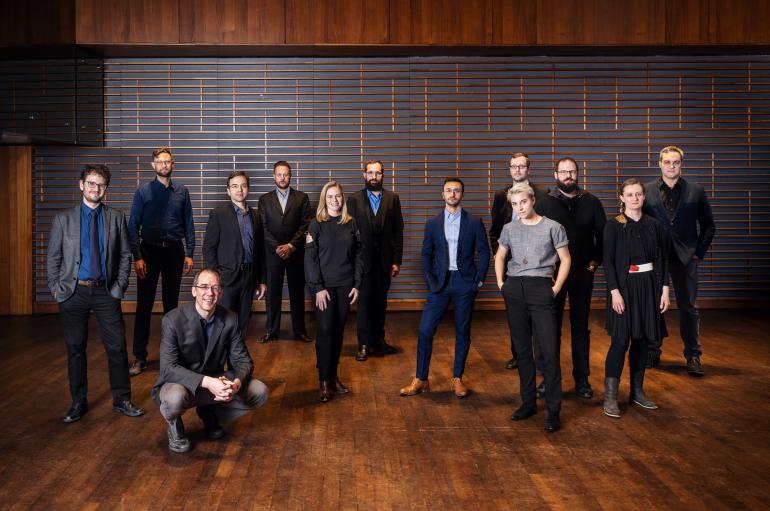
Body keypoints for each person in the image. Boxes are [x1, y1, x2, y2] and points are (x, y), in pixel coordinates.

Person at [47, 164, 144, 423]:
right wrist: (58, 291)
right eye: (91, 183)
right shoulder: (63, 219)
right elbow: (53, 258)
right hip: (73, 292)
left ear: (105, 189)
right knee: (76, 349)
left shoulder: (116, 217)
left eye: (100, 185)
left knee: (117, 348)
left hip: (105, 292)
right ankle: (78, 402)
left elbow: (125, 255)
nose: (95, 188)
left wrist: (119, 287)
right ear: (81, 185)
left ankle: (122, 400)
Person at [152, 268, 269, 453]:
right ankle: (174, 425)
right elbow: (167, 369)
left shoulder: (230, 318)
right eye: (204, 287)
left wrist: (235, 385)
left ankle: (209, 412)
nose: (210, 293)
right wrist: (208, 382)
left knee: (259, 391)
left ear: (221, 293)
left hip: (215, 380)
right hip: (181, 384)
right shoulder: (173, 320)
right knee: (174, 399)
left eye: (215, 288)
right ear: (194, 291)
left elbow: (243, 361)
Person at [400, 178, 489, 399]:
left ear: (462, 194)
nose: (452, 194)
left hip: (464, 283)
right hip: (439, 283)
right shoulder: (432, 223)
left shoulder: (475, 222)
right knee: (425, 330)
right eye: (448, 191)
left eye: (457, 191)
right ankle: (421, 378)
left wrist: (478, 280)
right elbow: (426, 253)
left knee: (462, 331)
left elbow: (485, 252)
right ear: (443, 195)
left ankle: (457, 378)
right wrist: (429, 278)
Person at [495, 183, 570, 433]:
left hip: (541, 287)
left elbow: (566, 259)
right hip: (515, 288)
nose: (519, 208)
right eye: (514, 205)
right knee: (523, 352)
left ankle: (553, 409)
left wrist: (556, 288)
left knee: (548, 352)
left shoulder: (553, 227)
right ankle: (527, 403)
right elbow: (500, 256)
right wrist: (501, 284)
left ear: (532, 200)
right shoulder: (509, 228)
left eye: (523, 203)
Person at [643, 146, 715, 376]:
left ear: (681, 164)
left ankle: (693, 355)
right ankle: (653, 350)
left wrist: (698, 253)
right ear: (660, 164)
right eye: (667, 162)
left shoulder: (696, 190)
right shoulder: (646, 191)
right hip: (655, 258)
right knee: (655, 306)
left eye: (676, 162)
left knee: (689, 308)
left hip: (686, 258)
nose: (671, 166)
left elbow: (709, 226)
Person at [603, 178, 670, 418]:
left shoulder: (654, 225)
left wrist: (664, 289)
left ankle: (637, 391)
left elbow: (662, 258)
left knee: (642, 340)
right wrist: (614, 292)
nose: (634, 198)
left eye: (638, 194)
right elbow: (608, 262)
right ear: (621, 198)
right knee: (620, 342)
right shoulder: (614, 226)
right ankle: (610, 396)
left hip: (650, 286)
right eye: (629, 195)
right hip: (624, 287)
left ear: (644, 197)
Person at [128, 147, 195, 376]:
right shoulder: (143, 192)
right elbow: (132, 226)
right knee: (143, 306)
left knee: (171, 306)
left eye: (167, 161)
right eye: (160, 161)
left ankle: (171, 356)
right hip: (148, 252)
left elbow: (189, 224)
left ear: (173, 164)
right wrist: (137, 257)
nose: (164, 165)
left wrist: (190, 253)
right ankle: (139, 357)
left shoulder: (182, 191)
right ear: (153, 165)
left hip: (174, 251)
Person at [546, 157, 606, 399]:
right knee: (551, 329)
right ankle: (550, 381)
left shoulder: (591, 202)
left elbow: (603, 235)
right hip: (552, 276)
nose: (568, 175)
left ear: (578, 174)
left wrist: (595, 263)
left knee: (581, 327)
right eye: (563, 172)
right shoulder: (544, 203)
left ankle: (582, 380)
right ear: (555, 175)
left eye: (572, 171)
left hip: (583, 272)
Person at [489, 152, 551, 370]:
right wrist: (500, 259)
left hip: (537, 265)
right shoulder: (500, 195)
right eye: (513, 166)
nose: (517, 170)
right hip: (511, 265)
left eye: (521, 166)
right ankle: (519, 356)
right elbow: (495, 231)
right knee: (515, 315)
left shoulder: (543, 193)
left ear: (528, 169)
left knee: (538, 317)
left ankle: (540, 359)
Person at [304, 181, 363, 402]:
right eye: (330, 197)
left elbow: (358, 254)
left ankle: (333, 377)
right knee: (326, 330)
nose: (334, 200)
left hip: (345, 285)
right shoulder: (316, 224)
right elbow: (310, 260)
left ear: (342, 198)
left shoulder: (350, 223)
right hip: (324, 288)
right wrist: (318, 288)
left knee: (338, 332)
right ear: (324, 199)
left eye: (338, 196)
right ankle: (323, 380)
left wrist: (357, 283)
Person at [346, 160, 404, 361]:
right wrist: (352, 263)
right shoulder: (354, 200)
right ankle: (362, 344)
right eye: (370, 173)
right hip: (363, 262)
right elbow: (349, 233)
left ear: (383, 175)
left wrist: (397, 261)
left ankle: (378, 341)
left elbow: (398, 232)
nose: (373, 176)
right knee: (364, 305)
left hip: (386, 262)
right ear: (364, 175)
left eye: (377, 173)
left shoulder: (392, 198)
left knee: (381, 303)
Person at [203, 171, 267, 340]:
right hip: (226, 279)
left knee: (242, 324)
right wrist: (214, 279)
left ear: (248, 189)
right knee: (221, 325)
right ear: (228, 191)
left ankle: (235, 365)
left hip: (249, 278)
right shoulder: (218, 214)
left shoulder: (256, 216)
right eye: (235, 186)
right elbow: (209, 248)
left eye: (243, 186)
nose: (239, 189)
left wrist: (262, 280)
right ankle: (216, 364)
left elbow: (260, 251)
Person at [258, 161, 314, 343]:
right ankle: (271, 331)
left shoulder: (302, 198)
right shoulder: (264, 200)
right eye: (279, 174)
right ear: (274, 176)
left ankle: (299, 331)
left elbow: (306, 225)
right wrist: (277, 247)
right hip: (273, 254)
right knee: (272, 293)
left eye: (286, 174)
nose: (282, 178)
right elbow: (263, 228)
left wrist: (290, 246)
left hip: (295, 253)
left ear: (291, 176)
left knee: (297, 292)